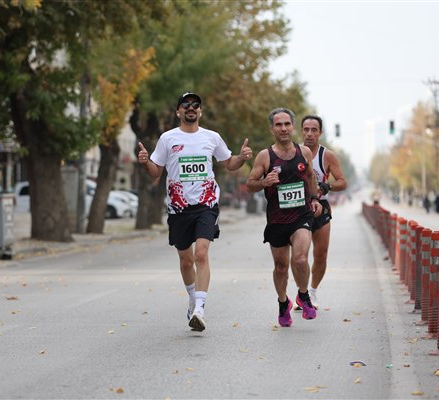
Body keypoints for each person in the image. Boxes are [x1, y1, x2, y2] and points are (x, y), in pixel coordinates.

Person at [137, 91, 253, 332]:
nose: (191, 108)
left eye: (195, 105)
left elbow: (229, 163)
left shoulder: (212, 137)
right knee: (185, 261)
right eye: (186, 104)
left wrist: (241, 157)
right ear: (178, 111)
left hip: (206, 205)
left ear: (200, 111)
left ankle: (200, 309)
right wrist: (146, 161)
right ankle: (192, 299)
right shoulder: (168, 138)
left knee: (201, 254)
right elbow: (156, 171)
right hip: (178, 207)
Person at [246, 107, 322, 328]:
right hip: (277, 219)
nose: (283, 128)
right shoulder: (265, 156)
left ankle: (303, 294)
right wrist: (264, 182)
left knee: (300, 259)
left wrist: (314, 199)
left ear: (292, 127)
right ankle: (283, 302)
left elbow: (310, 176)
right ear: (272, 129)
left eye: (287, 124)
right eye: (278, 125)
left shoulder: (304, 152)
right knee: (281, 267)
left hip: (301, 215)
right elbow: (250, 184)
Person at [298, 115, 347, 310]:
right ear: (301, 131)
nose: (309, 134)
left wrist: (328, 186)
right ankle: (302, 292)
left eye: (314, 130)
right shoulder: (292, 152)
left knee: (321, 254)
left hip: (321, 208)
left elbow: (342, 181)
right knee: (300, 255)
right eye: (306, 129)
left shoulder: (327, 156)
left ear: (320, 133)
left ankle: (312, 291)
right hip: (299, 208)